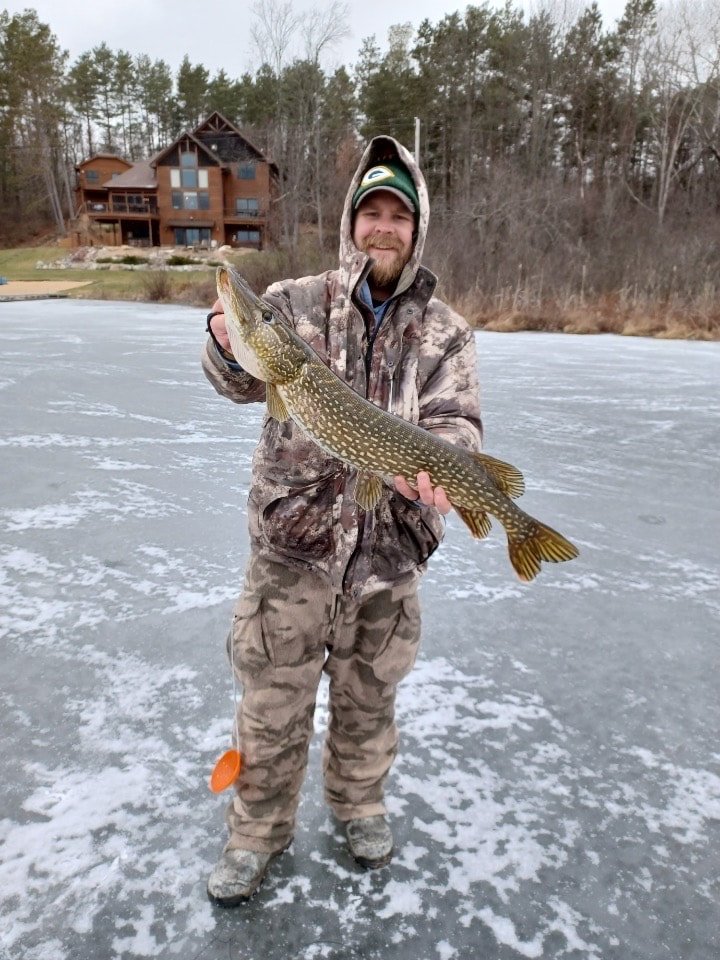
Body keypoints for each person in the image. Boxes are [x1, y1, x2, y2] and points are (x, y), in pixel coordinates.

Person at [201, 135, 482, 906]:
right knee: (271, 704)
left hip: (389, 558)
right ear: (352, 223)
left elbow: (458, 423)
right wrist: (227, 343)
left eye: (398, 215)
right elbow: (236, 380)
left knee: (368, 701)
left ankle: (359, 805)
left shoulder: (445, 331)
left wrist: (444, 469)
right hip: (293, 551)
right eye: (372, 212)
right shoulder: (291, 306)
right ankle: (256, 833)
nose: (383, 227)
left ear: (415, 229)